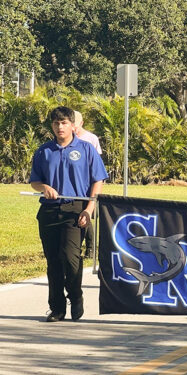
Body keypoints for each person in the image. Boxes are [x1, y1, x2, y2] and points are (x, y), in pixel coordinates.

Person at [30, 106, 108, 322]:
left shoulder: (86, 149)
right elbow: (35, 181)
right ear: (51, 126)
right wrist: (43, 187)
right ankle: (56, 308)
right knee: (53, 261)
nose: (60, 127)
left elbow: (98, 180)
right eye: (56, 123)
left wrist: (89, 209)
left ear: (73, 125)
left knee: (71, 258)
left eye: (64, 123)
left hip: (76, 210)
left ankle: (76, 296)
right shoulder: (44, 151)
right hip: (49, 210)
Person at [72, 111, 102, 258]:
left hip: (89, 183)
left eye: (75, 126)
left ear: (81, 123)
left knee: (87, 213)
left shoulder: (91, 139)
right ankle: (77, 246)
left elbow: (98, 164)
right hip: (75, 184)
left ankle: (91, 248)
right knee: (79, 215)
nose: (73, 130)